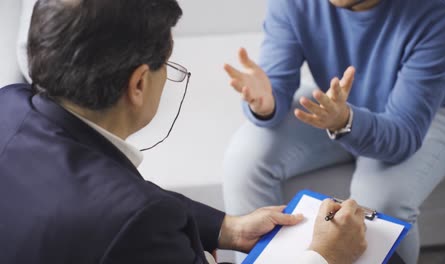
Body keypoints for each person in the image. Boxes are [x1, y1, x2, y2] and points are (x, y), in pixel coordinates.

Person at [0, 0, 368, 263]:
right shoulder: (139, 224)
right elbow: (128, 215)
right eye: (168, 65)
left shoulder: (9, 104)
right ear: (139, 83)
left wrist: (226, 228)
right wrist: (325, 257)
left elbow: (115, 201)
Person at [223, 0, 445, 263]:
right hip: (338, 102)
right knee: (244, 159)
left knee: (379, 205)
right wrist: (266, 103)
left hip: (431, 113)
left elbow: (403, 134)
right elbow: (277, 82)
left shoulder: (444, 7)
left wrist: (345, 121)